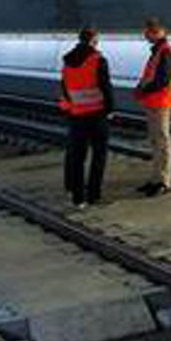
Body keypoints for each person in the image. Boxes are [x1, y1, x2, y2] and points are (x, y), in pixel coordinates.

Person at [57, 27, 114, 209]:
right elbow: (106, 87)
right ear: (94, 40)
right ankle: (94, 195)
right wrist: (110, 109)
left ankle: (78, 198)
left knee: (77, 157)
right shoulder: (98, 60)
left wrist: (73, 107)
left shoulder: (67, 62)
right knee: (99, 155)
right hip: (97, 115)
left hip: (77, 115)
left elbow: (65, 89)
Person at [135, 16, 171, 197]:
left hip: (160, 102)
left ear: (160, 31)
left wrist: (143, 90)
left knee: (161, 141)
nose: (147, 34)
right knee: (156, 142)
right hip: (154, 102)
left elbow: (162, 80)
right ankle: (156, 179)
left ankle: (163, 181)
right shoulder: (158, 51)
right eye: (147, 30)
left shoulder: (165, 51)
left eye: (150, 31)